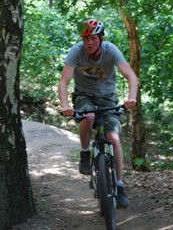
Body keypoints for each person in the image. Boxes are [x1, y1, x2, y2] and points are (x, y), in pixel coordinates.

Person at [58, 19, 138, 209]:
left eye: (93, 38)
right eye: (86, 39)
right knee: (88, 117)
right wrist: (65, 105)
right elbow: (64, 82)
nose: (89, 43)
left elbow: (131, 76)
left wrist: (131, 98)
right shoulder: (76, 52)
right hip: (84, 96)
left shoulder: (110, 50)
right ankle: (85, 154)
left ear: (101, 38)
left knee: (114, 139)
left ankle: (119, 185)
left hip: (107, 98)